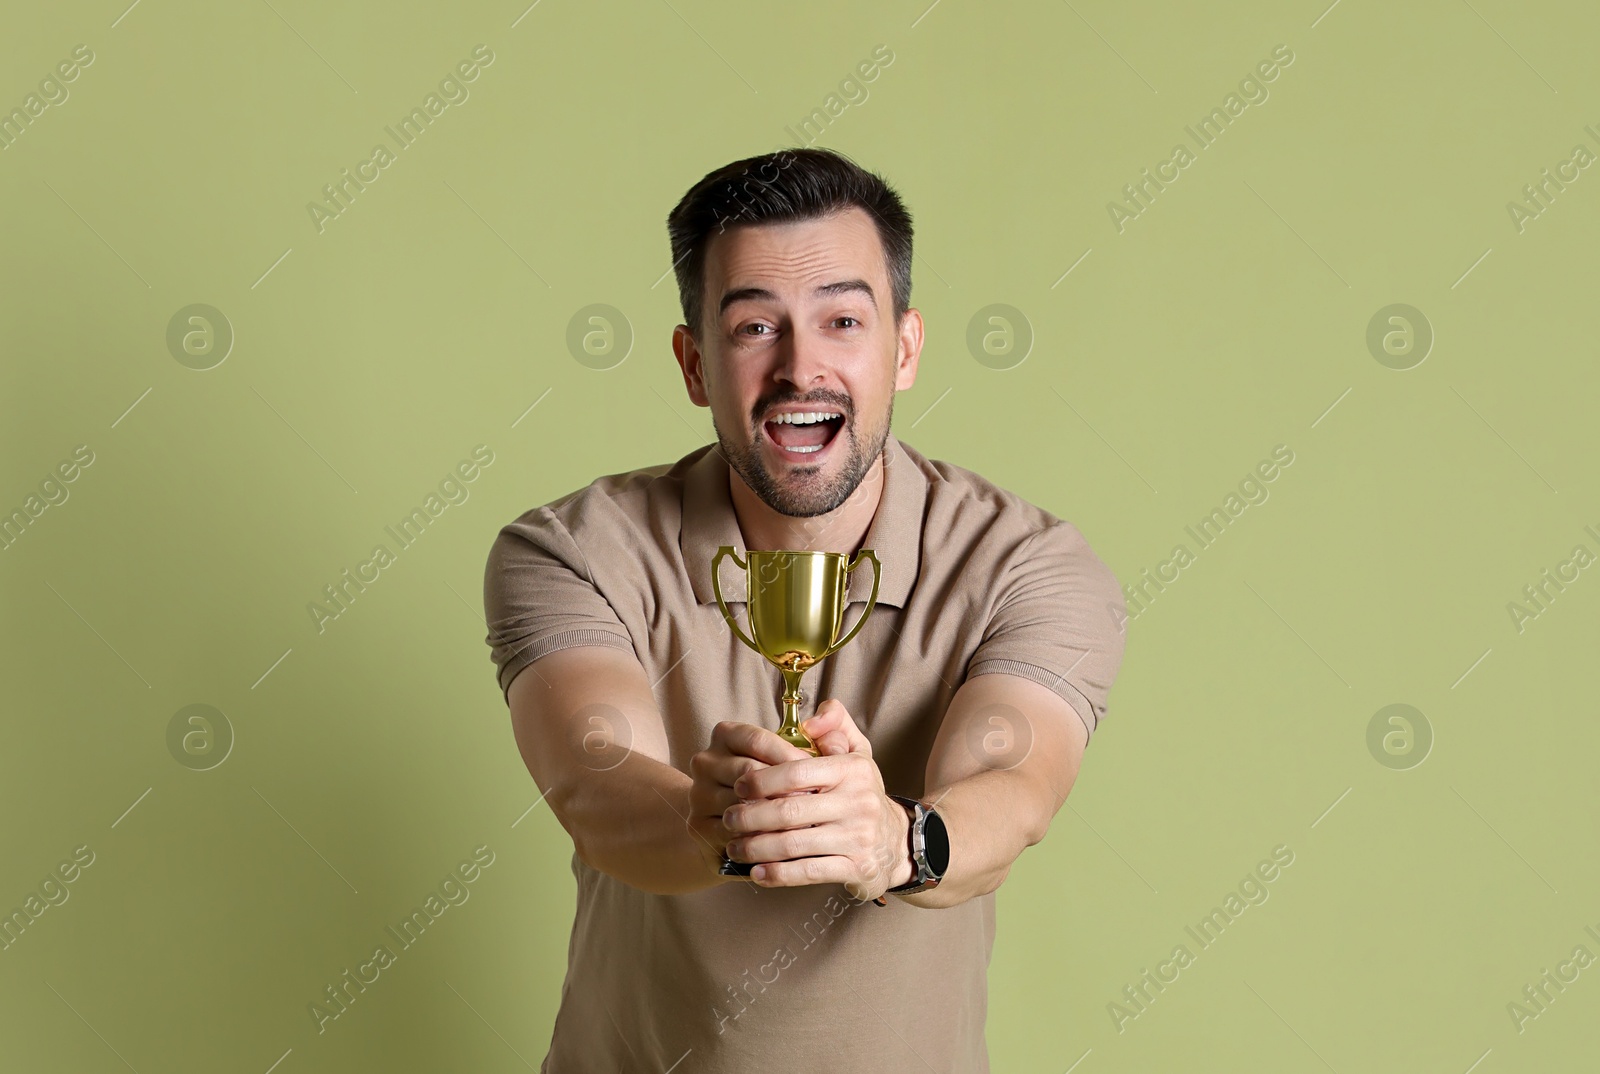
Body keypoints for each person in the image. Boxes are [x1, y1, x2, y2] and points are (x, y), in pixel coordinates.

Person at [481, 146, 1127, 1073]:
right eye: (754, 328)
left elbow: (1014, 787)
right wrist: (718, 820)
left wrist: (897, 839)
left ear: (903, 350)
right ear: (695, 363)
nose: (801, 367)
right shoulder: (573, 551)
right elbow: (596, 780)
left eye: (842, 320)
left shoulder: (1028, 564)